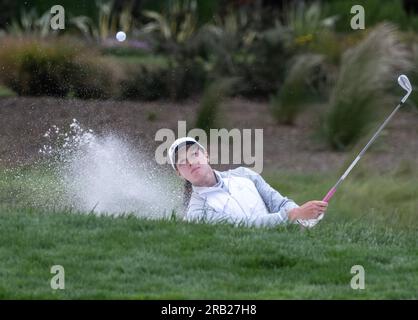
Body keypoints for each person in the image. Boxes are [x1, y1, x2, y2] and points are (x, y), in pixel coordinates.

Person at [168, 137, 328, 227]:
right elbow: (243, 227)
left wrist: (302, 215)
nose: (191, 162)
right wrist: (292, 215)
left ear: (206, 156)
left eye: (194, 154)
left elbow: (280, 203)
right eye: (182, 162)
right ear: (179, 174)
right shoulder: (196, 213)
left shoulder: (244, 174)